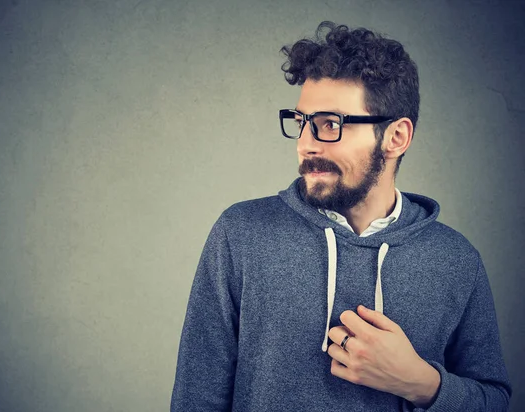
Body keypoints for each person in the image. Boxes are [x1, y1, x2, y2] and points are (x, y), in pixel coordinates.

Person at [170, 21, 511, 411]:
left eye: (330, 124)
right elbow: (195, 398)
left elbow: (493, 400)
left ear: (396, 137)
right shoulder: (241, 234)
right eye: (301, 123)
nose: (305, 145)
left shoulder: (456, 260)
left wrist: (421, 382)